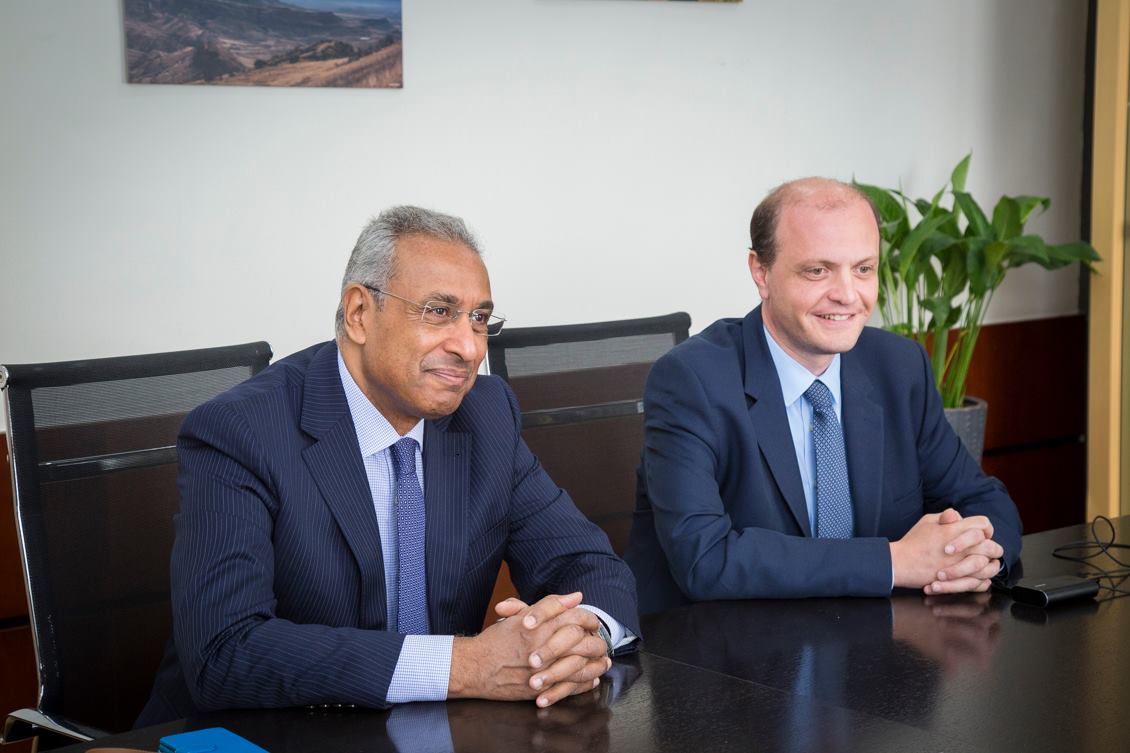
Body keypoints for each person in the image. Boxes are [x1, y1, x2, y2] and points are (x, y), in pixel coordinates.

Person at [138, 206, 638, 725]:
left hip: (429, 730)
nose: (469, 348)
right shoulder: (240, 431)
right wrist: (465, 665)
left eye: (479, 319)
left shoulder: (486, 414)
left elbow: (587, 565)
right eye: (439, 311)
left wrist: (579, 639)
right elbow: (224, 649)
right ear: (359, 312)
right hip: (260, 732)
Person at [626, 178, 1021, 614]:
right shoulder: (691, 380)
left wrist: (977, 559)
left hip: (874, 639)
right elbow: (705, 559)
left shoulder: (899, 367)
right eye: (818, 270)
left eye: (863, 269)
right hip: (724, 643)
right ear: (761, 272)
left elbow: (985, 502)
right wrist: (895, 561)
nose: (848, 295)